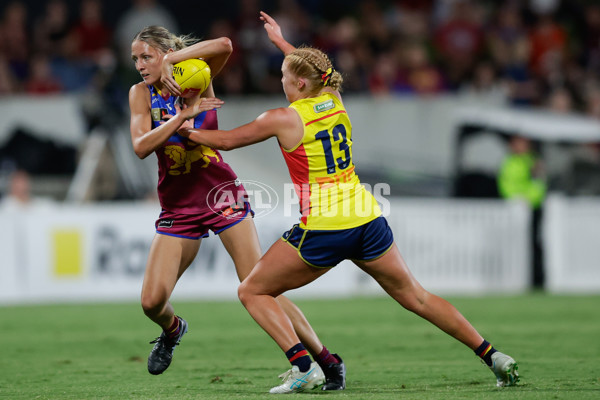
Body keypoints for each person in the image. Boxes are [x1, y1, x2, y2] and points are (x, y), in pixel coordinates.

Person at [175, 12, 520, 394]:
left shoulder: (283, 118)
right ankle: (493, 356)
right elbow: (319, 72)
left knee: (252, 291)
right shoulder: (334, 98)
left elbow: (226, 141)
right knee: (417, 297)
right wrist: (284, 45)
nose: (283, 86)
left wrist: (186, 125)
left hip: (325, 227)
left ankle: (303, 366)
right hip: (367, 219)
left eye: (286, 79)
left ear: (300, 83)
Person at [128, 26, 346, 390]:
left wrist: (173, 61)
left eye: (147, 56)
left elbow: (227, 44)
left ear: (165, 54)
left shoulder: (197, 74)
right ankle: (172, 329)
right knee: (152, 302)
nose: (139, 64)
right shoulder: (139, 94)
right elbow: (139, 146)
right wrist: (182, 118)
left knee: (259, 286)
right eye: (135, 58)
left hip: (220, 193)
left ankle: (326, 361)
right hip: (178, 204)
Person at [497, 135, 547, 287]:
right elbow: (505, 185)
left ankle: (537, 280)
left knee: (535, 245)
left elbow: (539, 185)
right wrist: (516, 200)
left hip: (533, 210)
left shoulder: (534, 162)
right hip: (513, 212)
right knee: (512, 247)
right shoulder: (508, 163)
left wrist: (528, 200)